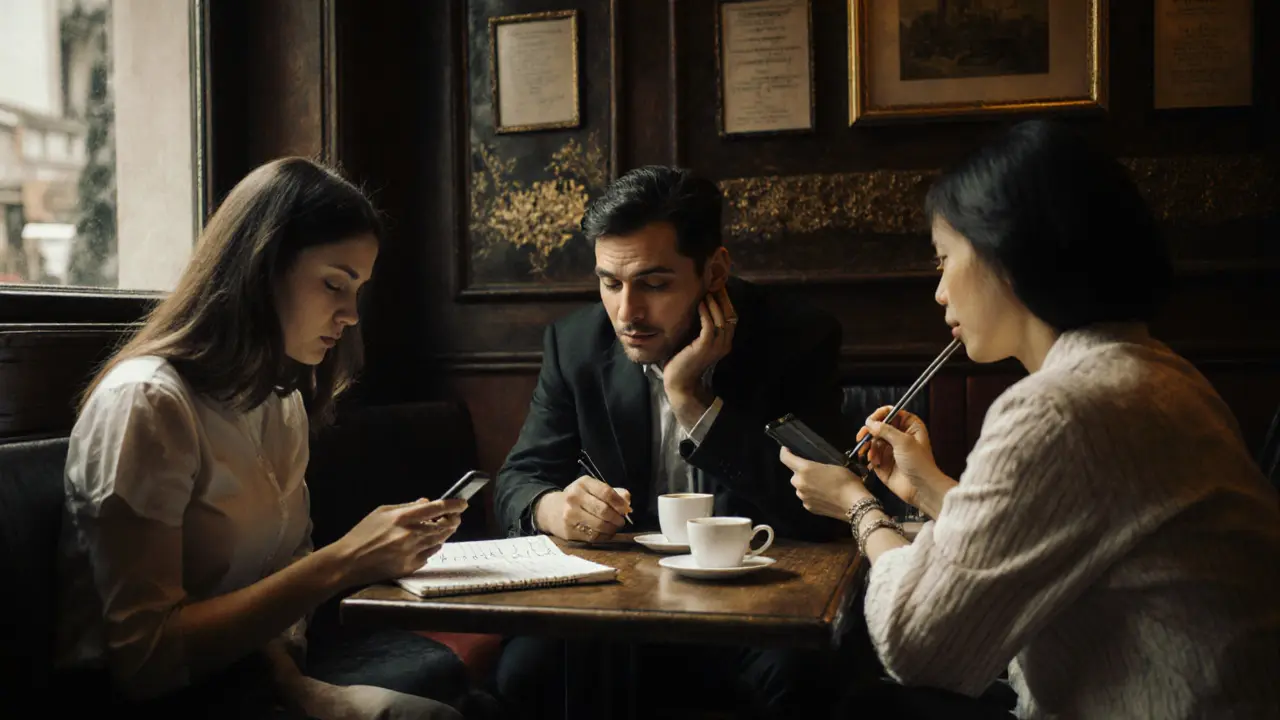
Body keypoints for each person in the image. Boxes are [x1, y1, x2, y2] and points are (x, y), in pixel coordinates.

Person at [782, 120, 1280, 719]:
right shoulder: (1155, 371)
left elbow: (917, 645)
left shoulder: (1060, 407)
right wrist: (929, 488)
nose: (940, 292)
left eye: (944, 260)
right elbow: (1070, 532)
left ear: (1006, 254)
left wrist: (857, 509)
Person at [55, 158, 474, 720]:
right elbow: (144, 660)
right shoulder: (148, 403)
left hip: (252, 683)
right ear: (261, 267)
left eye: (359, 291)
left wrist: (295, 687)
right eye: (334, 284)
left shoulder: (281, 401)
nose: (351, 314)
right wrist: (347, 560)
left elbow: (277, 581)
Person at [490, 165, 855, 718]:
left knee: (800, 678)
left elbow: (822, 508)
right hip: (620, 605)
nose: (626, 312)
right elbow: (518, 480)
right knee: (525, 673)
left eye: (655, 284)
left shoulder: (798, 339)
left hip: (758, 605)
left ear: (715, 271)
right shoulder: (575, 345)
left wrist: (691, 399)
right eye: (610, 283)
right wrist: (552, 508)